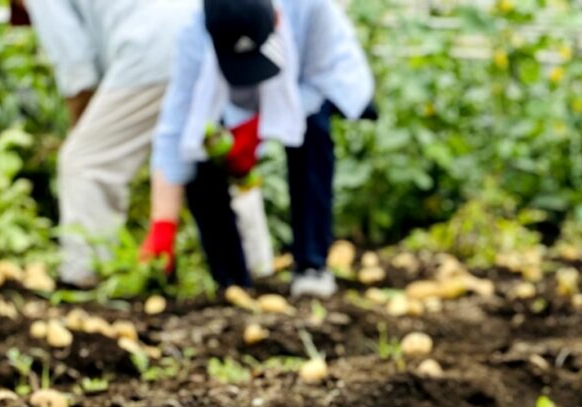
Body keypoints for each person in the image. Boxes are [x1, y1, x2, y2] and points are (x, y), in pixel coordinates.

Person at [145, 0, 374, 298]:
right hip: (227, 103)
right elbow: (177, 125)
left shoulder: (311, 9)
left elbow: (322, 82)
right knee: (199, 151)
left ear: (277, 19)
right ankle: (232, 282)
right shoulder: (194, 30)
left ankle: (312, 265)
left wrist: (256, 131)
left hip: (307, 85)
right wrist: (163, 223)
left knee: (314, 132)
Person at [20, 0, 198, 288]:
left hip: (151, 51)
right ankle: (254, 267)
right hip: (203, 34)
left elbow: (77, 69)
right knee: (212, 153)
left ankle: (86, 274)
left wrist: (82, 131)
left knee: (85, 161)